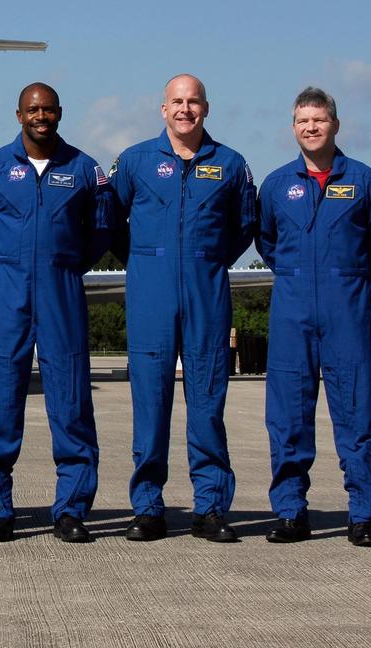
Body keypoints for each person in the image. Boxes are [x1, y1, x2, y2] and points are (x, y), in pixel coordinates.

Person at [109, 74, 257, 543]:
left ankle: (210, 507)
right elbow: (109, 221)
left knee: (207, 403)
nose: (185, 110)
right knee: (150, 402)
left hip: (205, 288)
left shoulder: (231, 164)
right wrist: (143, 259)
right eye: (177, 101)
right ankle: (148, 507)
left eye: (193, 102)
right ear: (163, 108)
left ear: (206, 109)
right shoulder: (134, 161)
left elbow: (245, 225)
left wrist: (208, 259)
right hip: (150, 288)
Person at [0, 83, 112, 543]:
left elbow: (101, 230)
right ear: (18, 114)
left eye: (47, 109)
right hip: (7, 289)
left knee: (70, 401)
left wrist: (63, 263)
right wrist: (6, 263)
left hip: (61, 287)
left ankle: (71, 509)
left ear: (59, 113)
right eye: (32, 109)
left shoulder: (85, 169)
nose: (40, 116)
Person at [257, 86, 371, 548]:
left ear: (335, 125)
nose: (311, 128)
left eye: (319, 120)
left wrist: (355, 277)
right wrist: (300, 275)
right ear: (293, 127)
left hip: (348, 312)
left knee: (359, 413)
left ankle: (362, 516)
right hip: (292, 312)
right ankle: (290, 513)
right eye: (303, 121)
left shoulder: (364, 180)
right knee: (288, 416)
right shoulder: (277, 185)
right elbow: (266, 239)